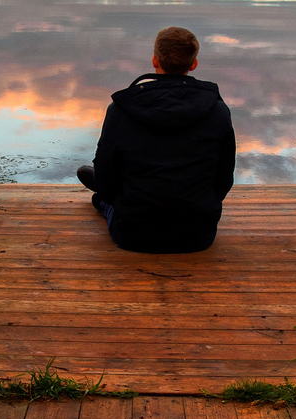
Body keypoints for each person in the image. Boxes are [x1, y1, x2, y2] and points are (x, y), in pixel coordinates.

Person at [76, 26, 236, 253]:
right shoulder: (218, 111)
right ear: (193, 64)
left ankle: (101, 202)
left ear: (154, 60)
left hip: (133, 234)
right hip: (197, 234)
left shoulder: (120, 110)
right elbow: (224, 179)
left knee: (103, 196)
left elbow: (108, 179)